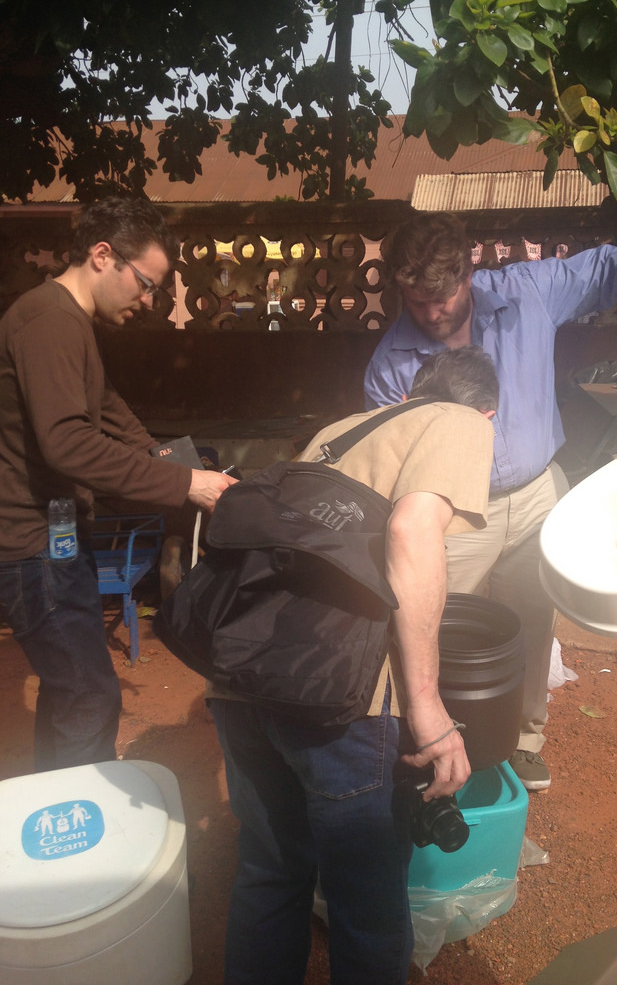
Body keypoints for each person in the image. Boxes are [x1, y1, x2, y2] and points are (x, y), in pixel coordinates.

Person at [364, 212, 617, 792]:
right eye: (418, 299)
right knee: (431, 627)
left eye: (445, 296)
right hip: (453, 513)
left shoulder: (525, 293)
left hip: (537, 496)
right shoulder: (390, 366)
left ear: (468, 269)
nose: (434, 313)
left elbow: (601, 268)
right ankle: (434, 739)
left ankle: (524, 739)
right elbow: (393, 467)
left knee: (533, 620)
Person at [208, 345, 498, 985]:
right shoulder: (462, 421)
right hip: (339, 699)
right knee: (365, 899)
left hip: (243, 677)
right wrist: (428, 708)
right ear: (489, 410)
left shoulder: (341, 431)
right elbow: (411, 532)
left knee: (270, 868)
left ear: (411, 391)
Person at [0, 196, 236, 773]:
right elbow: (70, 443)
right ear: (103, 256)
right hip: (33, 549)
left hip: (55, 538)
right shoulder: (49, 321)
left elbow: (109, 413)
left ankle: (58, 810)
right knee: (88, 695)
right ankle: (79, 846)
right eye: (146, 283)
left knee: (69, 692)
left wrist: (175, 459)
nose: (150, 301)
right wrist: (184, 484)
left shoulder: (67, 323)